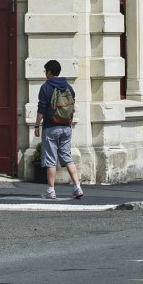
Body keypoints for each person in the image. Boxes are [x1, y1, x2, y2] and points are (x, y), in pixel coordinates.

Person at [34, 59, 83, 200]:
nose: (45, 74)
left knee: (50, 160)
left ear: (50, 72)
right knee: (67, 158)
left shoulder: (46, 87)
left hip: (51, 127)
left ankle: (51, 190)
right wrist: (69, 124)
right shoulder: (68, 86)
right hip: (66, 127)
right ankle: (77, 187)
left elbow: (41, 109)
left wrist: (37, 125)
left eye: (45, 71)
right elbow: (72, 107)